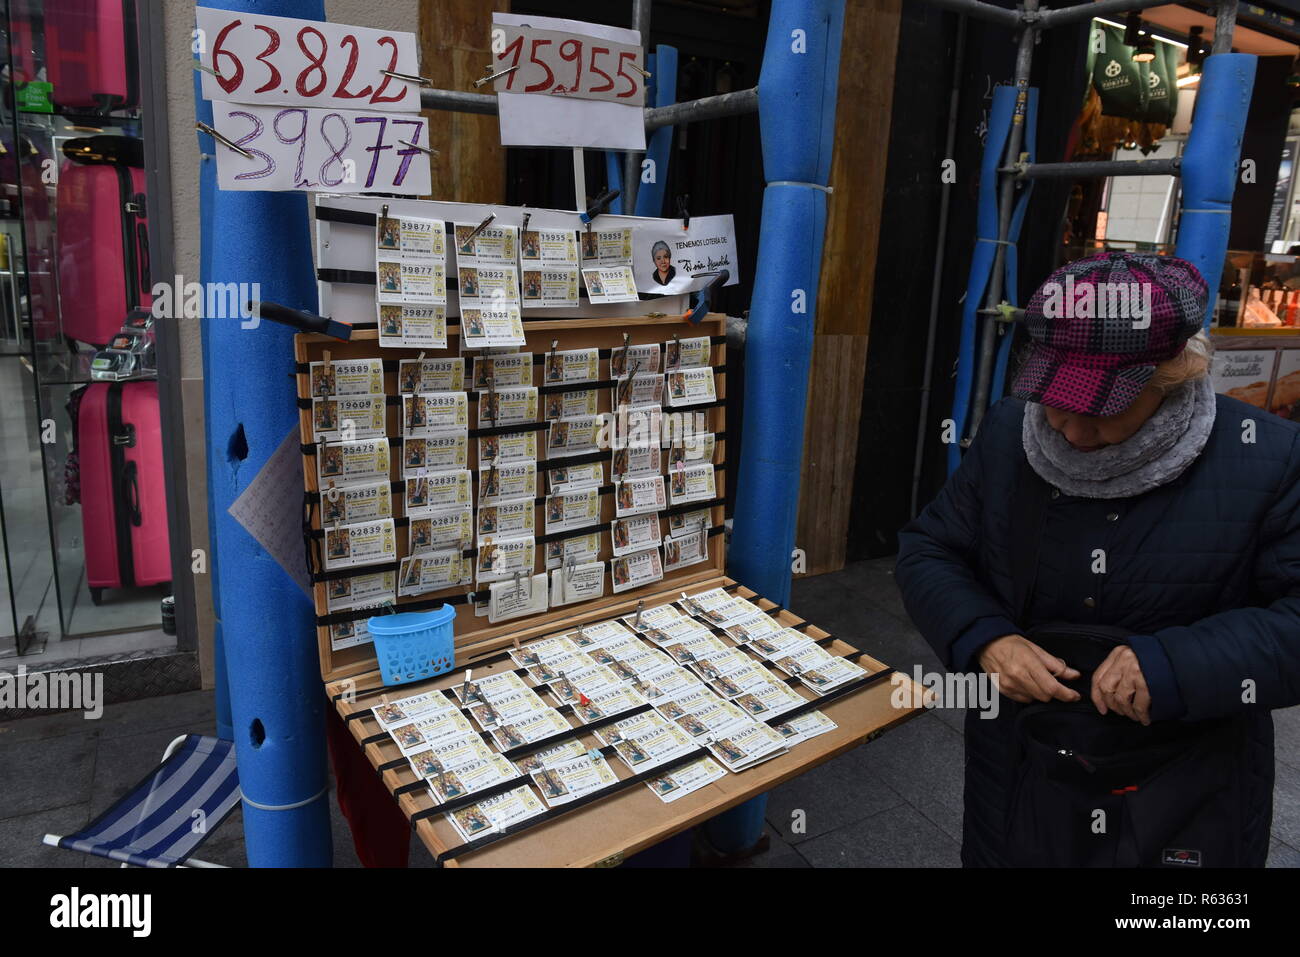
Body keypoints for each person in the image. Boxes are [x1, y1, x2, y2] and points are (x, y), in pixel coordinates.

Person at [896, 252, 1300, 868]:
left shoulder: (1270, 460)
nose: (1068, 428)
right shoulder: (1011, 432)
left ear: (1175, 377)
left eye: (1103, 407)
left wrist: (1174, 664)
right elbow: (930, 548)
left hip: (1187, 781)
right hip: (1019, 765)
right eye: (1054, 396)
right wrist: (984, 639)